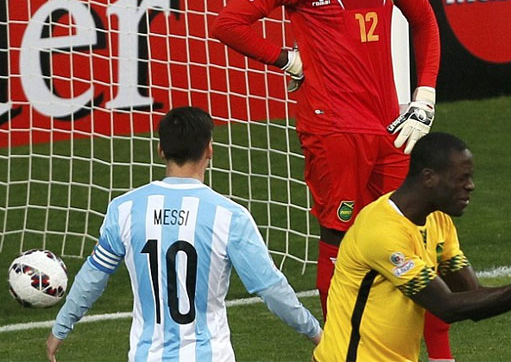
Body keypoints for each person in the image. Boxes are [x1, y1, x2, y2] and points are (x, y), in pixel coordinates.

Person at [212, 0, 451, 360]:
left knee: (418, 235)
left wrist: (423, 95)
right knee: (339, 238)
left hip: (390, 128)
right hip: (332, 130)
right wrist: (285, 59)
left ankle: (441, 355)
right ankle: (340, 349)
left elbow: (424, 20)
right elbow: (228, 23)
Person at [45, 107, 321, 362]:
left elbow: (93, 276)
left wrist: (61, 327)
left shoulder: (125, 209)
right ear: (209, 149)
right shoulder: (229, 216)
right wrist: (316, 333)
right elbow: (271, 289)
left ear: (161, 150)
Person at [313, 132, 511, 362]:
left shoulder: (438, 221)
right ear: (429, 177)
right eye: (461, 178)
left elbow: (470, 294)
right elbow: (446, 307)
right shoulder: (382, 231)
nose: (471, 186)